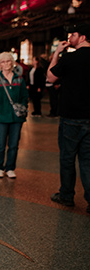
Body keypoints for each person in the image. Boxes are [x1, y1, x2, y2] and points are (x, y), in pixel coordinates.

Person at [46, 24, 90, 211]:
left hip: (70, 116)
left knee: (67, 158)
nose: (70, 37)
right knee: (88, 160)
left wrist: (57, 53)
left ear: (82, 37)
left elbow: (50, 77)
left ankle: (66, 195)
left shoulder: (69, 58)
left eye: (73, 35)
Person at [0, 52, 28, 179]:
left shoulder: (19, 79)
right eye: (3, 62)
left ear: (12, 63)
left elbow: (25, 97)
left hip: (16, 117)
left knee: (14, 144)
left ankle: (10, 168)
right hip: (0, 117)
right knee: (0, 144)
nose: (6, 64)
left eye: (8, 61)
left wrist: (23, 108)